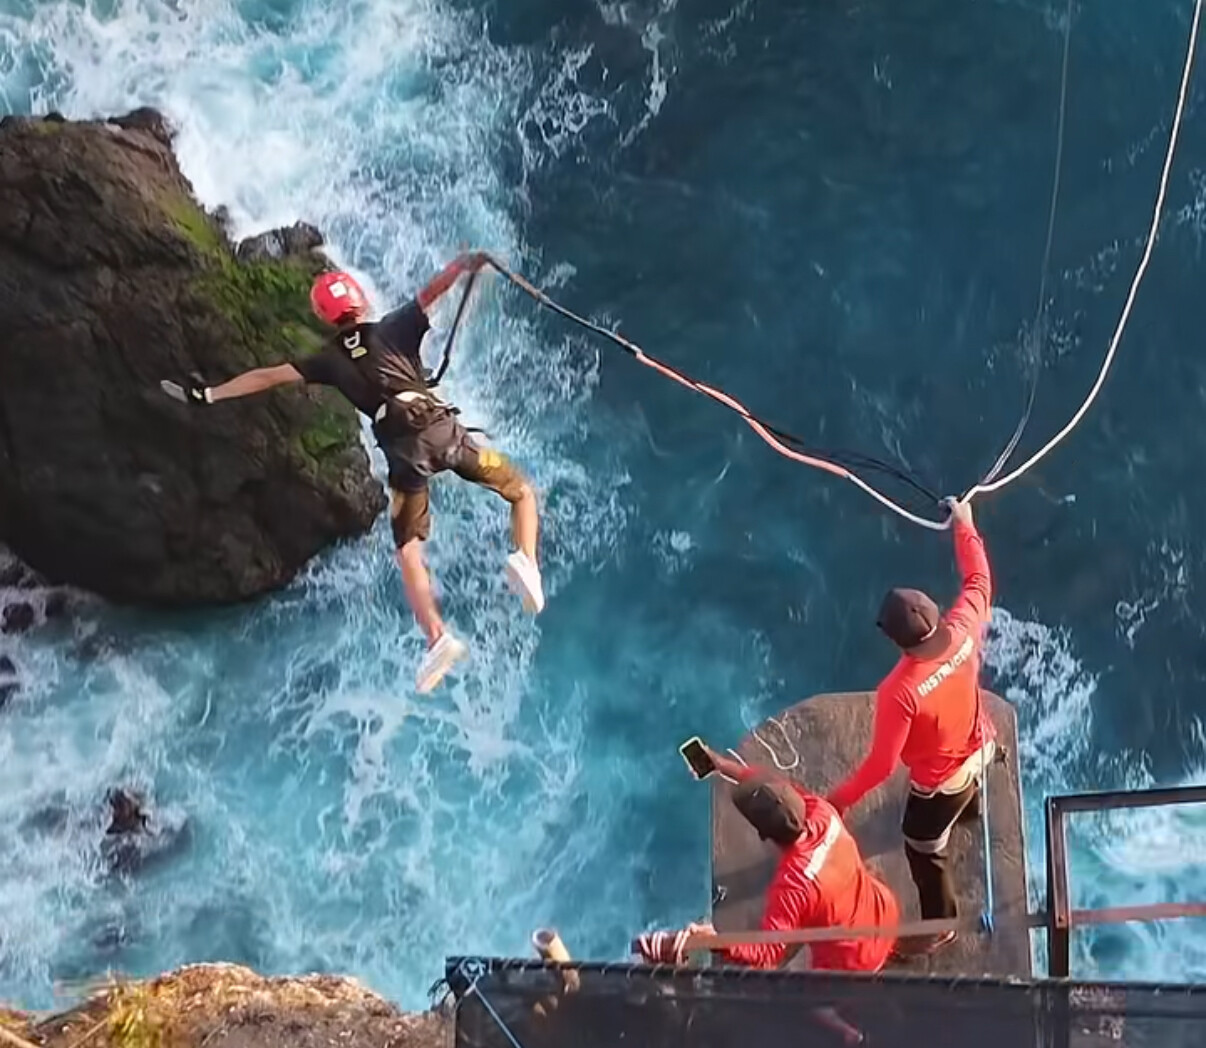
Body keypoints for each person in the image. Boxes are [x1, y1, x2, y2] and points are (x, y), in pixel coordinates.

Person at [168, 252, 543, 693]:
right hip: (443, 432)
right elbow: (436, 289)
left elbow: (267, 377)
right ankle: (526, 561)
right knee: (520, 492)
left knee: (408, 550)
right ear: (361, 302)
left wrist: (210, 394)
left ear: (323, 317)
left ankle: (437, 637)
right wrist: (467, 263)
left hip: (405, 454)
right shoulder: (394, 326)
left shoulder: (326, 360)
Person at [826, 496, 995, 955]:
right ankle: (973, 812)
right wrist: (965, 523)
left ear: (894, 639)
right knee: (968, 790)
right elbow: (979, 577)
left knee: (920, 846)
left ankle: (940, 924)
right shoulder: (963, 627)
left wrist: (836, 800)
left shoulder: (898, 691)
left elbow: (882, 768)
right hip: (982, 745)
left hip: (942, 783)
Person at [637, 742, 900, 975]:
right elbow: (772, 785)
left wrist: (714, 939)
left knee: (804, 1006)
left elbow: (766, 955)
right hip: (885, 913)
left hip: (855, 961)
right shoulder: (823, 812)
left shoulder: (792, 886)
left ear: (764, 835)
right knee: (819, 912)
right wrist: (721, 765)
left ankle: (844, 1029)